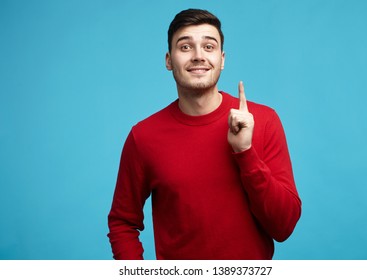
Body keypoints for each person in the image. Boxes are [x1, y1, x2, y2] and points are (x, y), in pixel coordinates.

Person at [107, 8, 301, 260]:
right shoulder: (143, 136)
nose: (198, 56)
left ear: (222, 59)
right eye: (185, 47)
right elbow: (122, 222)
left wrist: (245, 152)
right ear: (169, 60)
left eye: (208, 47)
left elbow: (283, 226)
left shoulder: (263, 121)